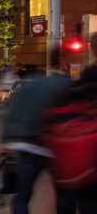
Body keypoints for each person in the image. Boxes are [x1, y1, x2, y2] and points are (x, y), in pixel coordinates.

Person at [0, 68, 71, 214]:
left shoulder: (29, 87)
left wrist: (5, 139)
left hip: (27, 146)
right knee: (64, 193)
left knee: (23, 193)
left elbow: (11, 113)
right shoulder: (67, 85)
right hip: (56, 147)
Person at [41, 65, 97, 214]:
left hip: (65, 166)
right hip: (91, 168)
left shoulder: (68, 92)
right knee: (90, 203)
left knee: (65, 200)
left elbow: (49, 124)